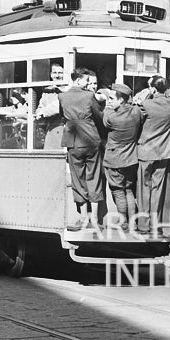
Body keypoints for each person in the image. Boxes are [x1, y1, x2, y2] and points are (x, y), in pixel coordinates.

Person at [58, 67, 106, 231]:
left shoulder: (62, 96)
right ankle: (94, 219)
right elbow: (99, 116)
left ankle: (83, 218)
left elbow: (62, 116)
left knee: (78, 180)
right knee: (94, 177)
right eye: (86, 80)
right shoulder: (88, 95)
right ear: (78, 80)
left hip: (72, 141)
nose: (88, 84)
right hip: (91, 139)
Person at [135, 74, 170, 235]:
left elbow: (137, 121)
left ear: (153, 89)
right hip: (164, 152)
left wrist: (148, 92)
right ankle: (155, 224)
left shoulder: (145, 104)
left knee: (143, 189)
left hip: (146, 151)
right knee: (158, 189)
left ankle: (143, 225)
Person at [101, 82, 143, 228]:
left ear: (121, 100)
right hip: (131, 158)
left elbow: (105, 119)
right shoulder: (136, 113)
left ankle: (123, 221)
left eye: (112, 98)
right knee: (129, 190)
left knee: (118, 191)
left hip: (114, 160)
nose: (110, 101)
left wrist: (106, 104)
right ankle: (133, 222)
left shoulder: (111, 117)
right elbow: (138, 109)